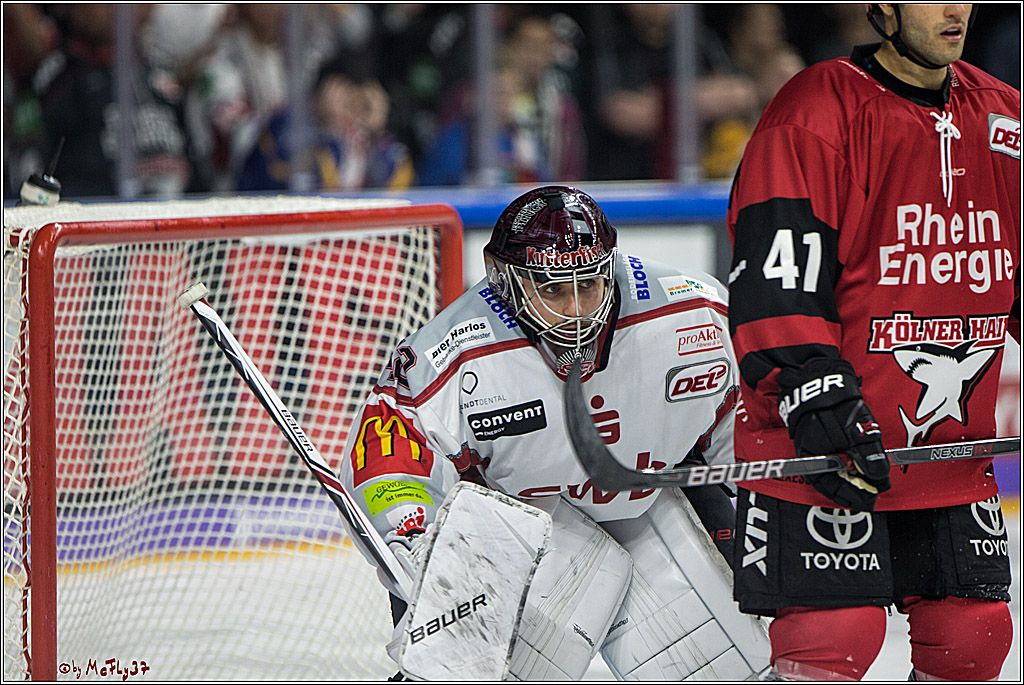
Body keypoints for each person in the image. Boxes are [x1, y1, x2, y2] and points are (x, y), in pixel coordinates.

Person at [340, 186, 771, 679]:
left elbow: (750, 427)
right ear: (508, 283)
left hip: (654, 510)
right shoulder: (452, 352)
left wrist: (776, 507)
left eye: (589, 284)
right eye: (552, 289)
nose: (577, 309)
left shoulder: (694, 314)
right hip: (520, 534)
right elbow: (388, 449)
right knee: (453, 666)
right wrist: (413, 533)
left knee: (735, 666)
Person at [726, 4, 1019, 681]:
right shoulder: (815, 108)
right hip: (827, 440)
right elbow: (777, 275)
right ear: (882, 6)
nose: (953, 10)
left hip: (944, 448)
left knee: (973, 636)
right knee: (834, 638)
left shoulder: (1006, 118)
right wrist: (811, 386)